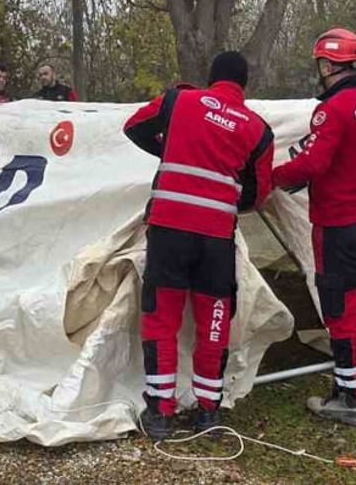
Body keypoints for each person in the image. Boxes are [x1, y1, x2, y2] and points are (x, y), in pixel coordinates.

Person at [123, 52, 275, 440]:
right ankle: (209, 413)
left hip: (169, 230)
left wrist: (170, 149)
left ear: (210, 77)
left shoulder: (179, 100)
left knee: (161, 317)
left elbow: (134, 127)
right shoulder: (258, 130)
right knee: (214, 321)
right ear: (244, 84)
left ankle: (160, 412)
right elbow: (258, 193)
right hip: (215, 238)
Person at [272, 28, 356, 426]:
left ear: (326, 65)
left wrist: (272, 176)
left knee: (340, 311)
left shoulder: (333, 110)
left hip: (339, 224)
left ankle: (348, 398)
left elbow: (314, 162)